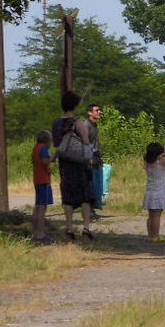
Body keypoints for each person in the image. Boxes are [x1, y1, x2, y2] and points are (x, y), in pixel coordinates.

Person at [52, 90, 95, 241]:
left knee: (68, 195)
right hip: (80, 163)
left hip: (65, 163)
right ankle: (86, 228)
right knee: (85, 196)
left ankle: (69, 228)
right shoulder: (77, 122)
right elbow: (86, 140)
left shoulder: (56, 123)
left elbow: (57, 144)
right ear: (74, 106)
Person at [142, 142, 165, 242]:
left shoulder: (147, 162)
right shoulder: (160, 162)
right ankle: (156, 236)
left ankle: (150, 236)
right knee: (157, 215)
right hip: (159, 190)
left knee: (151, 216)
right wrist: (162, 154)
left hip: (150, 191)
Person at [31, 130, 55, 244]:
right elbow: (45, 161)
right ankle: (41, 234)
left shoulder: (35, 148)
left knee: (37, 206)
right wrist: (53, 157)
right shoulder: (44, 148)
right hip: (44, 180)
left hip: (37, 179)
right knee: (42, 207)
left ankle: (35, 232)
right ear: (47, 141)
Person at [85, 103, 105, 211]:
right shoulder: (86, 125)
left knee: (96, 185)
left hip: (95, 158)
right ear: (89, 113)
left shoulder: (94, 125)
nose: (99, 112)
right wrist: (93, 154)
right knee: (90, 185)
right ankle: (89, 211)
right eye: (97, 110)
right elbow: (85, 143)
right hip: (89, 160)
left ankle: (93, 208)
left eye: (99, 110)